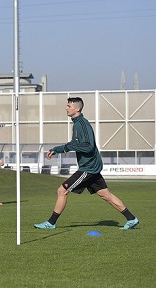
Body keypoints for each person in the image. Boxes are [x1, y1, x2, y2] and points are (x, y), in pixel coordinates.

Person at [34, 97, 139, 230]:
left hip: (88, 168)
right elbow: (74, 144)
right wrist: (58, 150)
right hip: (92, 167)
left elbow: (88, 146)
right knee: (106, 195)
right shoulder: (77, 123)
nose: (66, 108)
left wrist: (68, 148)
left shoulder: (82, 124)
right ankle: (131, 218)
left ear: (77, 109)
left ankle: (51, 223)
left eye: (68, 106)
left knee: (62, 190)